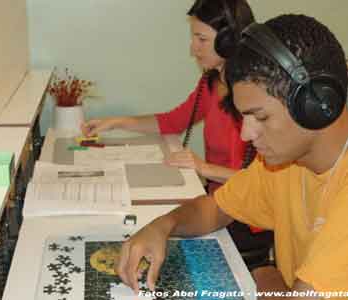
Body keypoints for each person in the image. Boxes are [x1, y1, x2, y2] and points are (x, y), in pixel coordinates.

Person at [115, 14, 348, 298]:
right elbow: (217, 208)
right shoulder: (288, 160)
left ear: (316, 105)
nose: (246, 135)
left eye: (259, 117)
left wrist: (266, 277)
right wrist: (163, 225)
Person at [82, 0, 273, 267]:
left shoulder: (256, 97)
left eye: (201, 39)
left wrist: (203, 167)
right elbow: (173, 121)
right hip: (216, 201)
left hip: (245, 219)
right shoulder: (211, 82)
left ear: (229, 41)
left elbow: (265, 182)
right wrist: (117, 122)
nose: (193, 48)